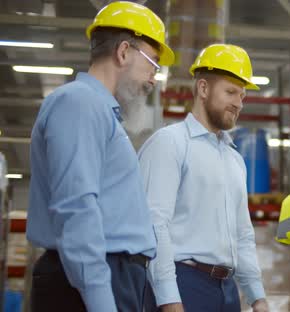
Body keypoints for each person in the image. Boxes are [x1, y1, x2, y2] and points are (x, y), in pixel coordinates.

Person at [26, 2, 174, 311]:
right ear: (123, 52)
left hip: (113, 276)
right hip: (92, 282)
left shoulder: (100, 113)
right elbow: (76, 207)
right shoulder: (79, 104)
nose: (153, 77)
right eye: (152, 63)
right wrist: (100, 299)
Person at [139, 43, 269, 312]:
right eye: (231, 92)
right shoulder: (170, 143)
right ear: (203, 88)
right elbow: (155, 225)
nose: (238, 103)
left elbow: (242, 235)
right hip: (184, 285)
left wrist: (257, 297)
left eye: (242, 95)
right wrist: (169, 298)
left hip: (226, 291)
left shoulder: (234, 159)